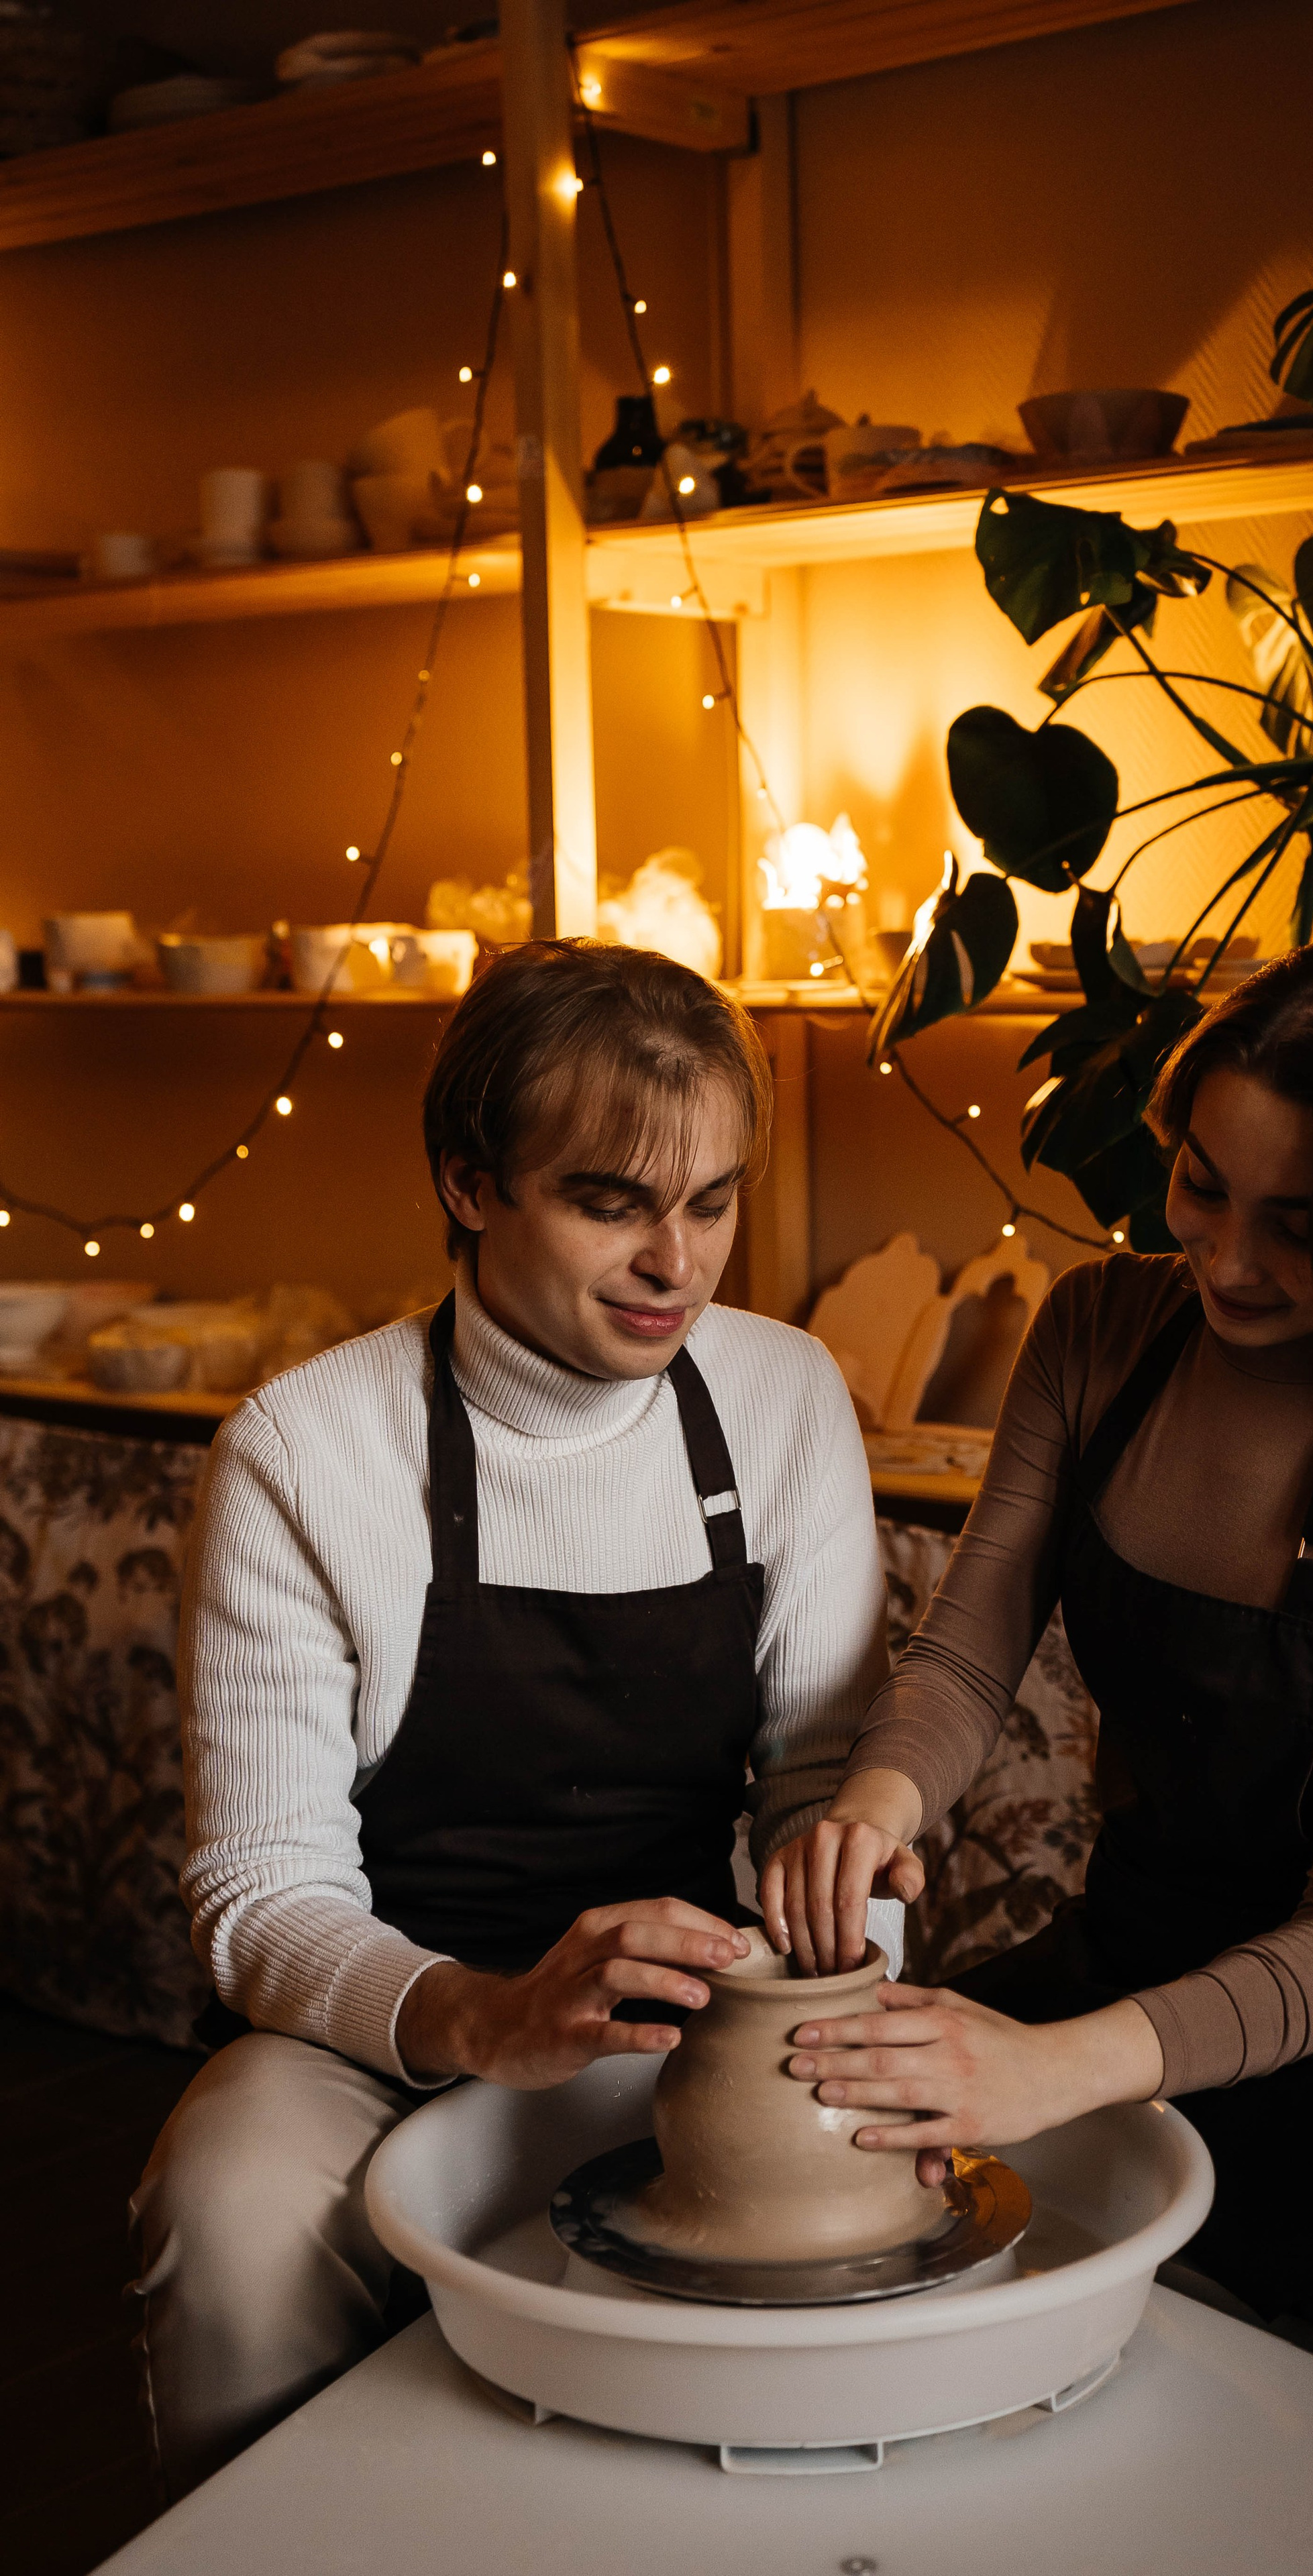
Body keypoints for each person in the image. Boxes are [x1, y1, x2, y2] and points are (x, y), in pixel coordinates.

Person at [763, 938, 1313, 2481]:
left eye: (1296, 1226)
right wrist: (878, 1804)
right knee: (824, 2170)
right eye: (1199, 1187)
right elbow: (963, 1660)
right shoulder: (1101, 1332)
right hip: (1141, 1956)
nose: (1225, 1259)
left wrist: (1043, 2069)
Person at [133, 940, 888, 2496]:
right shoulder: (305, 1446)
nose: (677, 1265)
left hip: (685, 2018)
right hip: (375, 2024)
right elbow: (257, 1897)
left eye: (713, 1202)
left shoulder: (784, 1393)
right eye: (612, 1202)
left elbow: (816, 1770)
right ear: (471, 1184)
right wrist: (484, 2018)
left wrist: (837, 1889)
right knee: (225, 2222)